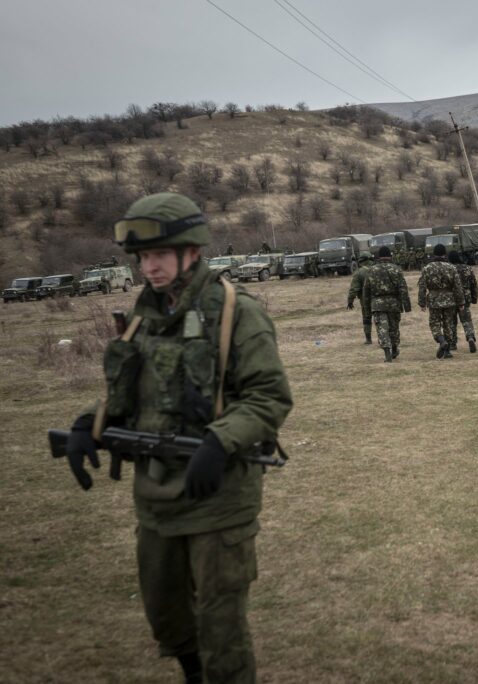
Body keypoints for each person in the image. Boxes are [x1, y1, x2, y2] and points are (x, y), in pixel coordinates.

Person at [62, 192, 292, 684]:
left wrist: (220, 441)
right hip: (156, 500)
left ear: (191, 251)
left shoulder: (235, 312)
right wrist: (89, 425)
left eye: (159, 255)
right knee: (168, 619)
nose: (149, 267)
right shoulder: (145, 318)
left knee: (220, 627)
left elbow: (269, 397)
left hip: (218, 498)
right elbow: (135, 395)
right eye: (143, 258)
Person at [362, 246, 411, 362]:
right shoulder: (396, 269)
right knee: (394, 328)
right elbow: (403, 288)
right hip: (394, 304)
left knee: (382, 329)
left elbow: (366, 291)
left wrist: (366, 310)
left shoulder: (371, 270)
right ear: (390, 256)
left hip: (377, 304)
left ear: (379, 256)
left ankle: (387, 353)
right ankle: (394, 348)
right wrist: (406, 306)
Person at [417, 244, 464, 359]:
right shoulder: (451, 267)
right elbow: (457, 287)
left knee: (434, 323)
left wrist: (422, 303)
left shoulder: (427, 268)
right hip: (449, 300)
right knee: (448, 324)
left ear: (434, 254)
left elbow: (422, 287)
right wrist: (461, 302)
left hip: (434, 300)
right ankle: (447, 351)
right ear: (444, 254)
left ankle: (441, 340)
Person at [448, 251, 478, 353]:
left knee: (452, 321)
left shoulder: (448, 269)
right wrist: (474, 298)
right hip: (465, 297)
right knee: (466, 319)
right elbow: (474, 284)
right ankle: (470, 336)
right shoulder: (467, 268)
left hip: (451, 298)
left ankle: (452, 343)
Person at [347, 252, 375, 344]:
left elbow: (354, 289)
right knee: (382, 318)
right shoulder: (378, 269)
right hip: (380, 299)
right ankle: (385, 338)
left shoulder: (359, 273)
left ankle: (368, 339)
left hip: (365, 300)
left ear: (361, 261)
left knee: (367, 318)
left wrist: (350, 301)